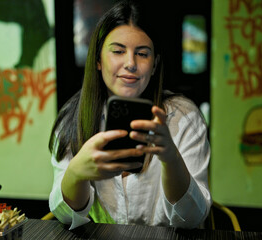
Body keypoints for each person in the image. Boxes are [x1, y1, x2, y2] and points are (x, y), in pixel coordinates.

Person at [48, 0, 211, 230]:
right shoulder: (72, 119)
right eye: (118, 51)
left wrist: (171, 158)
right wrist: (76, 172)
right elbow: (66, 217)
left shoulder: (184, 118)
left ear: (154, 65)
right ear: (97, 59)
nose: (131, 64)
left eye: (142, 54)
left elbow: (193, 218)